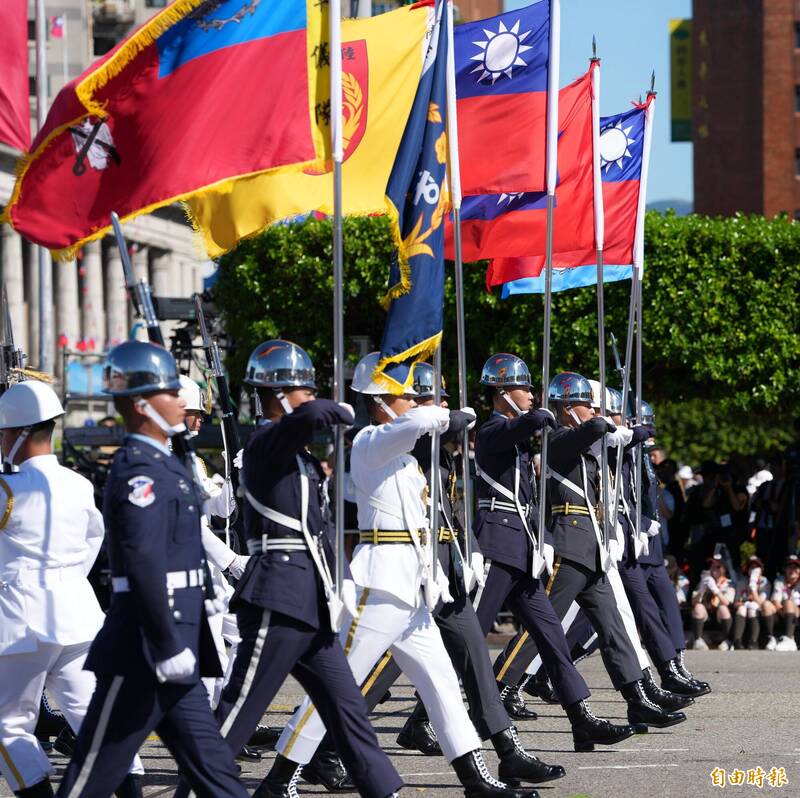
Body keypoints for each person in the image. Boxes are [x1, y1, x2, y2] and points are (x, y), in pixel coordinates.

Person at [270, 352, 534, 798]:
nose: (414, 403)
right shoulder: (370, 441)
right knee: (339, 685)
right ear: (381, 401)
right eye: (406, 396)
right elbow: (414, 425)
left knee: (442, 683)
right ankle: (281, 778)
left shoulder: (406, 459)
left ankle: (475, 778)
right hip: (380, 583)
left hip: (411, 586)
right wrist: (447, 413)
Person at [174, 341, 402, 798]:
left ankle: (385, 791)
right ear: (278, 394)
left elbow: (316, 527)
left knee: (347, 712)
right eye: (303, 387)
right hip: (275, 595)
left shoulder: (297, 454)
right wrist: (332, 406)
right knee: (237, 716)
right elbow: (314, 417)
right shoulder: (266, 443)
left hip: (310, 599)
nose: (311, 394)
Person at [56, 341, 247, 798]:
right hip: (143, 646)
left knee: (219, 774)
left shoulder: (169, 463)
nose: (182, 402)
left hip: (179, 640)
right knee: (90, 779)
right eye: (170, 393)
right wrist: (164, 642)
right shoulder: (137, 469)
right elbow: (143, 563)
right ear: (142, 404)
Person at [491, 373, 686, 730]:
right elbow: (591, 430)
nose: (595, 410)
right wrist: (611, 426)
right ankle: (502, 684)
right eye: (587, 403)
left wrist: (628, 434)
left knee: (613, 627)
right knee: (543, 625)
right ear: (568, 409)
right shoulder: (559, 439)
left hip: (591, 545)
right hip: (568, 543)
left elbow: (604, 443)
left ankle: (635, 698)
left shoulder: (586, 447)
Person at [472, 357, 636, 752]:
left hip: (523, 548)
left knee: (552, 638)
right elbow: (522, 425)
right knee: (467, 637)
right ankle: (423, 718)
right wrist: (542, 414)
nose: (530, 395)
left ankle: (580, 717)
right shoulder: (493, 430)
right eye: (524, 388)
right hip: (496, 545)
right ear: (501, 393)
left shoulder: (521, 437)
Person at [0, 380, 142, 798]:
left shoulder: (7, 490)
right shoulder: (78, 484)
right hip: (79, 616)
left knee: (9, 723)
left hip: (21, 623)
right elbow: (91, 543)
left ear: (17, 434)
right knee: (98, 717)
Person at [690, 554, 735, 650]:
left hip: (721, 618)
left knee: (723, 608)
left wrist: (715, 590)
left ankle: (727, 640)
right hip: (706, 616)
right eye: (711, 565)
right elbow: (693, 602)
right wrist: (702, 589)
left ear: (724, 569)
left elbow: (727, 602)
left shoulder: (729, 583)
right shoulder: (705, 581)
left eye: (718, 566)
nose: (714, 568)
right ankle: (697, 640)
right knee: (698, 607)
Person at [732, 555, 774, 650]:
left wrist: (753, 587)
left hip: (758, 610)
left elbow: (761, 603)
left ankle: (753, 641)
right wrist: (742, 602)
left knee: (752, 607)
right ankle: (737, 641)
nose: (754, 570)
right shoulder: (742, 581)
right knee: (742, 608)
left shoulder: (765, 582)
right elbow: (736, 602)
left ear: (761, 569)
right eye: (751, 567)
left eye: (756, 567)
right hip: (743, 608)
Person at [770, 554, 800, 651]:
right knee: (783, 604)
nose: (793, 570)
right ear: (784, 569)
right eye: (789, 567)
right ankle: (786, 639)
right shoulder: (779, 580)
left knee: (788, 603)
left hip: (797, 612)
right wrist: (784, 611)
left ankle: (789, 639)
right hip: (784, 613)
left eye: (796, 567)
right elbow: (776, 600)